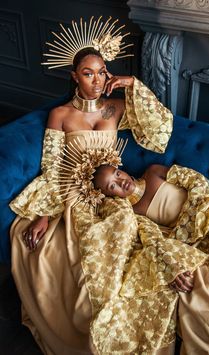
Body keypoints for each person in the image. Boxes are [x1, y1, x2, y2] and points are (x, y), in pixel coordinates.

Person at [9, 16, 178, 355]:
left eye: (102, 71)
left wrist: (131, 83)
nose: (98, 80)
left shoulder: (116, 108)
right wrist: (45, 214)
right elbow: (53, 167)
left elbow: (160, 130)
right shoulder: (60, 115)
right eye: (88, 73)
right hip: (75, 199)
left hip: (113, 194)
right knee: (76, 265)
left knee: (127, 245)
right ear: (74, 77)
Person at [93, 163, 209, 354]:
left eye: (117, 173)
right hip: (191, 237)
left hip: (205, 209)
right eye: (113, 186)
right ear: (112, 196)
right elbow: (154, 239)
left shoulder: (152, 172)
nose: (121, 181)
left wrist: (195, 212)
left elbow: (195, 179)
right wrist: (172, 263)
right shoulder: (134, 212)